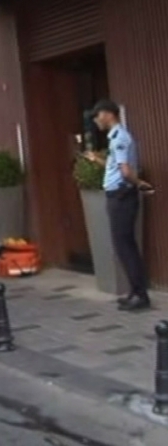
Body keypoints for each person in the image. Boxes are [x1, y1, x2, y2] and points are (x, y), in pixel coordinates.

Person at [86, 99, 154, 312]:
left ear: (107, 114)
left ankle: (140, 295)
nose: (96, 121)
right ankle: (135, 291)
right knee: (124, 245)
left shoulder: (119, 138)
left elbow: (125, 171)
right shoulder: (116, 137)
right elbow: (116, 166)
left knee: (125, 245)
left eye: (98, 116)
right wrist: (97, 160)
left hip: (122, 195)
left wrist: (140, 183)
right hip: (118, 195)